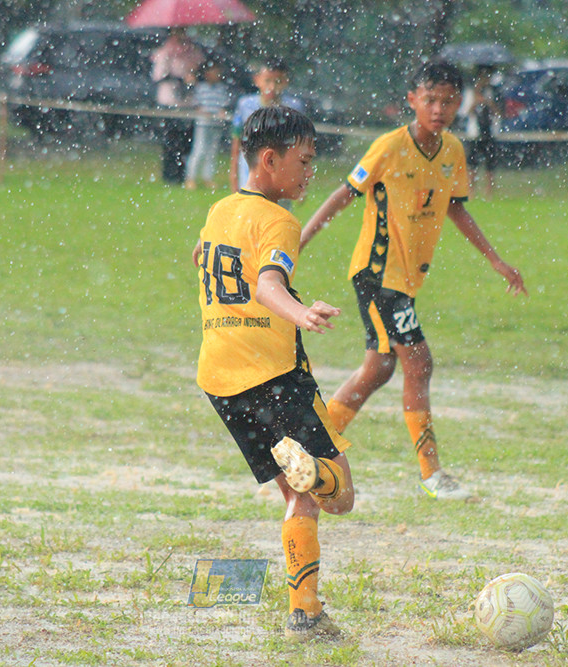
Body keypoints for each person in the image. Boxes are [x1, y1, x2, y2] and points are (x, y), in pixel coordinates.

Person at [300, 60, 526, 500]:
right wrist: (299, 242)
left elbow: (455, 207)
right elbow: (343, 195)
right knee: (419, 364)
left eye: (447, 101)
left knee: (378, 368)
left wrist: (496, 260)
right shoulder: (389, 147)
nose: (438, 109)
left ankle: (310, 451)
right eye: (429, 100)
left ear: (459, 104)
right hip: (377, 274)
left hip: (404, 280)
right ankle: (431, 474)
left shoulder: (453, 152)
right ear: (412, 101)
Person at [193, 106, 354, 640]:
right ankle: (315, 470)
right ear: (268, 159)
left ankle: (305, 616)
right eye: (304, 162)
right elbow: (266, 286)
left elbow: (202, 254)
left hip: (221, 378)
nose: (310, 173)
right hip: (274, 375)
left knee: (294, 498)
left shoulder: (220, 209)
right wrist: (300, 312)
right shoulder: (280, 220)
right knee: (339, 495)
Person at [229, 58, 304, 195]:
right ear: (257, 80)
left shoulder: (293, 108)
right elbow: (237, 140)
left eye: (278, 81)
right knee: (252, 205)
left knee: (278, 210)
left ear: (286, 82)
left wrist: (300, 177)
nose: (272, 87)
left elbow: (300, 145)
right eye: (268, 80)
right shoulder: (245, 105)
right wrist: (233, 174)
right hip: (250, 168)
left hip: (281, 168)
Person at [150, 28, 203, 184]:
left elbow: (198, 70)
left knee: (186, 141)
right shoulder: (164, 53)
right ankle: (170, 174)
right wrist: (176, 78)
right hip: (170, 102)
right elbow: (158, 76)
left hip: (187, 104)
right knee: (170, 142)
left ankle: (182, 174)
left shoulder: (192, 52)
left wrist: (191, 77)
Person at [184, 59, 231, 191]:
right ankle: (190, 178)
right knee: (199, 150)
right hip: (203, 124)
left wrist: (221, 113)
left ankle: (207, 178)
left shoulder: (221, 89)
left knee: (212, 152)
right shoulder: (201, 88)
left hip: (216, 124)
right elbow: (196, 104)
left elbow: (223, 105)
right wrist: (204, 112)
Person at [460, 65, 501, 198]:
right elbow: (465, 113)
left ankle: (488, 192)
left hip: (490, 132)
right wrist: (475, 101)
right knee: (472, 164)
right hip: (474, 133)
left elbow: (499, 113)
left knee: (490, 164)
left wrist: (489, 103)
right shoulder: (470, 92)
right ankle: (471, 192)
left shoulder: (494, 92)